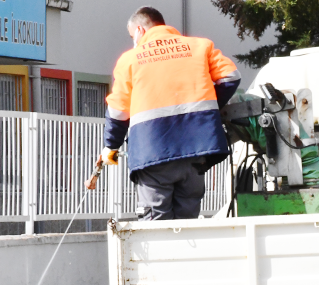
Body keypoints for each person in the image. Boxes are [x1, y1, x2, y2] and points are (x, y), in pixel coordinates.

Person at [99, 6, 241, 220]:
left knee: (155, 225)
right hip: (197, 149)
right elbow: (230, 76)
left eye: (132, 36)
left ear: (139, 30)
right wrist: (209, 108)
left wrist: (110, 146)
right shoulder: (200, 46)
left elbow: (118, 111)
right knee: (187, 223)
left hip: (153, 152)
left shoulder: (131, 60)